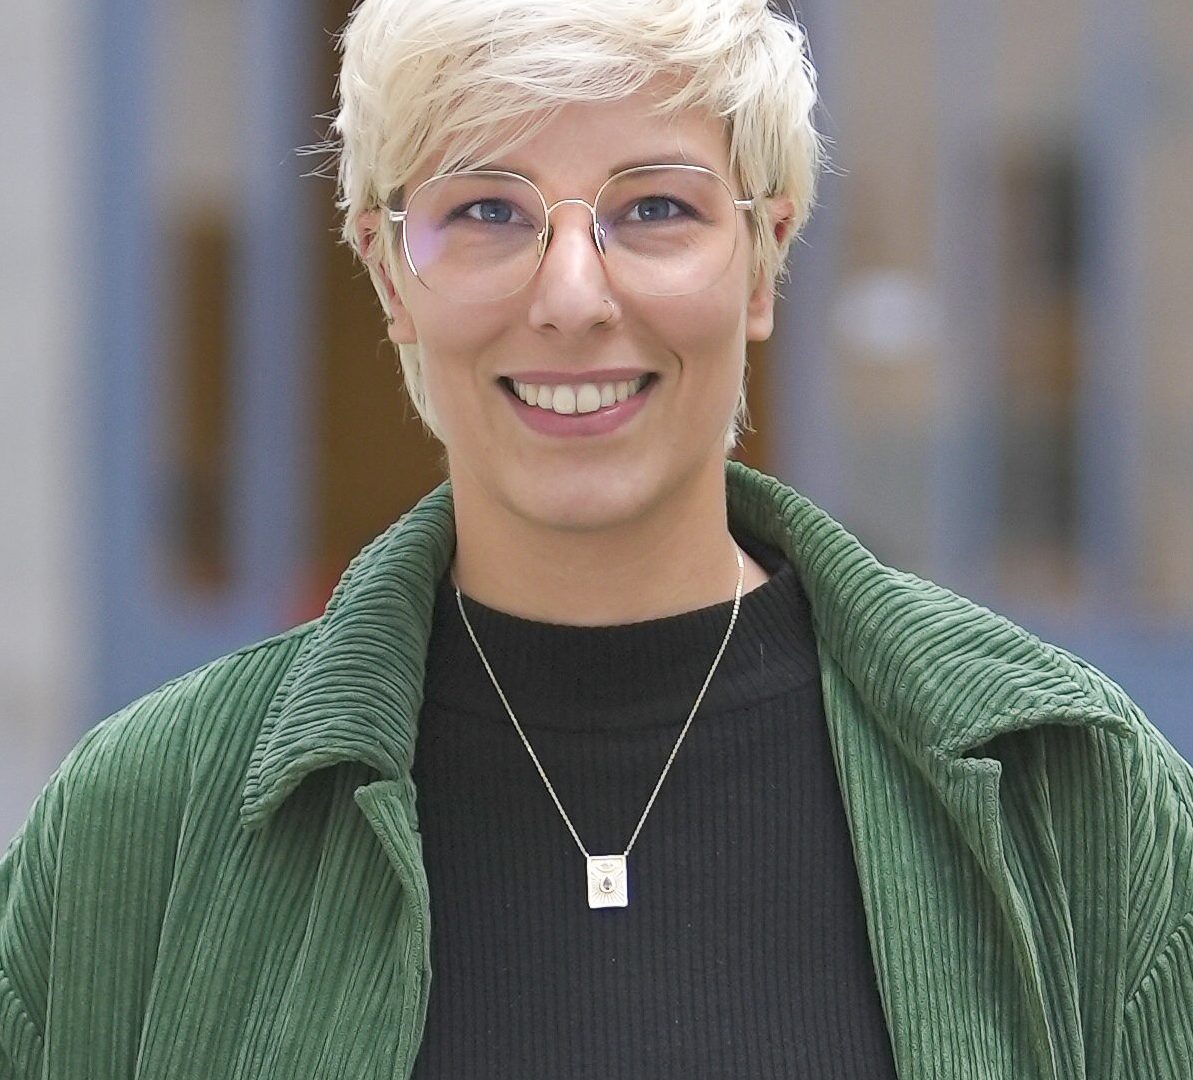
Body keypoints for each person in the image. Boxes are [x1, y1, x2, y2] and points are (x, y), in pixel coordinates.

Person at [2, 0, 1192, 1077]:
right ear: (387, 276)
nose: (572, 295)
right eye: (484, 210)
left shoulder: (1071, 795)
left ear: (764, 259)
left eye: (656, 208)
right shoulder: (142, 826)